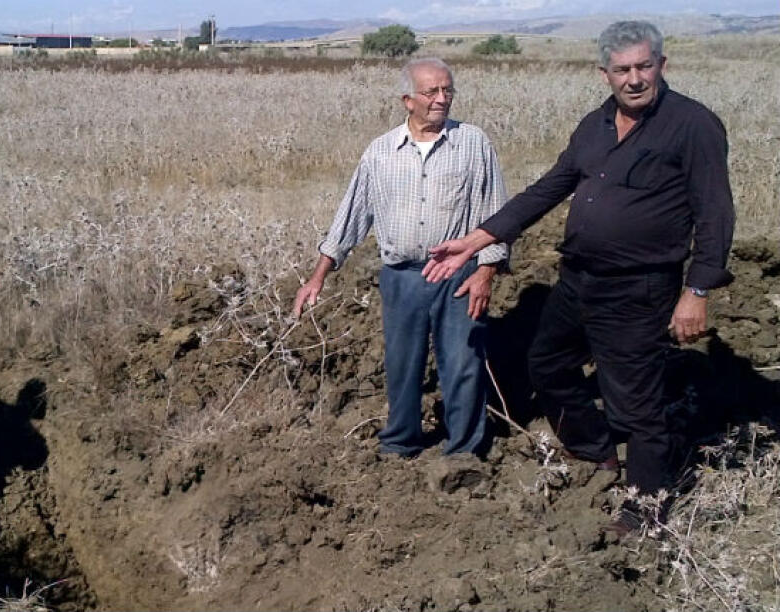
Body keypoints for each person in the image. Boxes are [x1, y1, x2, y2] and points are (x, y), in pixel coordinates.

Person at [422, 21, 734, 532]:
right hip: (577, 280)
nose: (634, 79)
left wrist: (696, 291)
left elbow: (715, 214)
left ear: (662, 65)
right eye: (622, 70)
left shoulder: (692, 125)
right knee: (547, 363)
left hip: (638, 287)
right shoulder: (595, 124)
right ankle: (598, 451)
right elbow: (548, 189)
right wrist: (477, 239)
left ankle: (645, 511)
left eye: (643, 66)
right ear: (604, 74)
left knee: (636, 402)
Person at [291, 58, 509, 458]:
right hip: (401, 277)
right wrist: (317, 277)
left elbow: (494, 212)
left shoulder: (474, 143)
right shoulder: (380, 153)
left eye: (448, 91)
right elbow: (351, 216)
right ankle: (399, 444)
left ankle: (463, 454)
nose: (442, 99)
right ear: (408, 100)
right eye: (432, 92)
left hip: (458, 274)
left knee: (463, 365)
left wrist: (486, 272)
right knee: (402, 366)